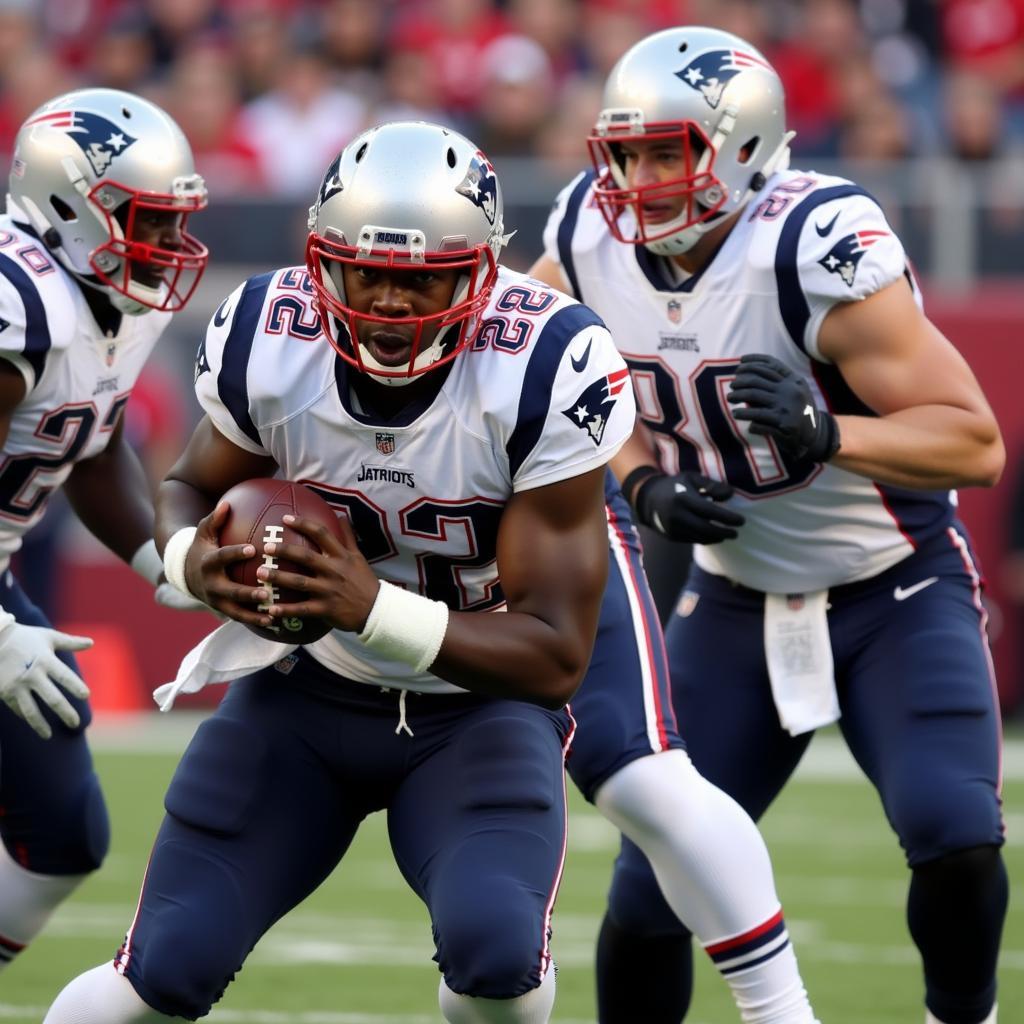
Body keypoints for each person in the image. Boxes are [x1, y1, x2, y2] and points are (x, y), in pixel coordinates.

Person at [43, 121, 818, 1024]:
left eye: (422, 279)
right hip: (308, 693)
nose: (388, 303)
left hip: (476, 707)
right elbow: (186, 486)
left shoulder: (542, 362)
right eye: (366, 270)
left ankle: (779, 1008)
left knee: (502, 959)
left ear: (484, 271)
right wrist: (191, 561)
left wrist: (369, 603)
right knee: (162, 970)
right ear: (321, 260)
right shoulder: (268, 330)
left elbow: (556, 659)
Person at [530, 25, 1008, 1024]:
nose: (639, 179)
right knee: (656, 880)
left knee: (952, 828)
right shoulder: (583, 236)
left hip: (893, 585)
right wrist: (639, 480)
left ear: (741, 147)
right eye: (624, 153)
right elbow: (561, 380)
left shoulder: (808, 244)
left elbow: (973, 444)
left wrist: (827, 431)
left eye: (667, 152)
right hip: (735, 595)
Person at [0, 87, 209, 973]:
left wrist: (160, 559)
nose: (163, 249)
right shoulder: (21, 303)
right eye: (142, 222)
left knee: (63, 832)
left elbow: (91, 440)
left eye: (170, 224)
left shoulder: (107, 295)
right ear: (66, 207)